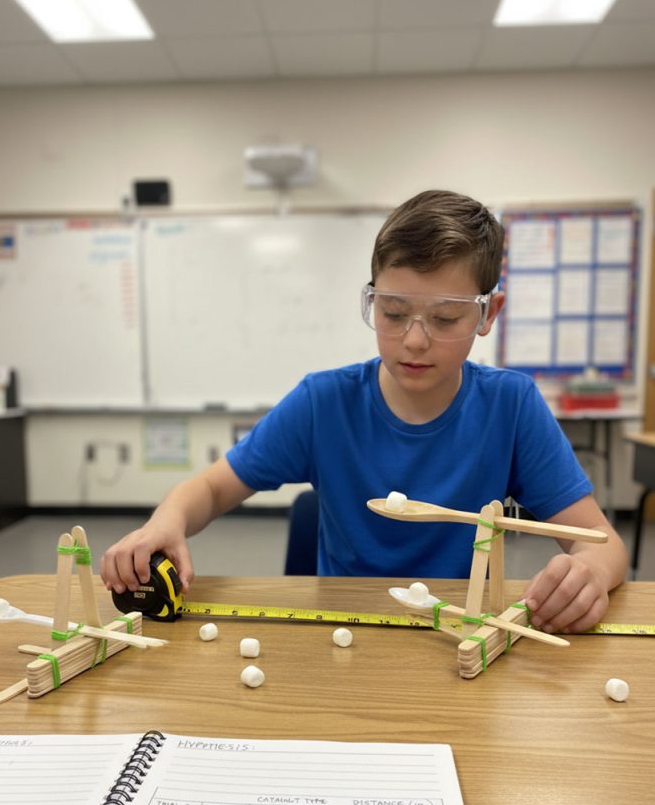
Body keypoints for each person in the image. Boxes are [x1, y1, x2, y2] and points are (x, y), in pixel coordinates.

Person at [101, 189, 627, 634]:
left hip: (463, 638)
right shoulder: (323, 403)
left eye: (445, 319)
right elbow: (213, 488)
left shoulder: (511, 406)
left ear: (489, 313)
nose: (414, 341)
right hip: (346, 633)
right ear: (373, 300)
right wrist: (165, 521)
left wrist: (589, 574)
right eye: (393, 313)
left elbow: (604, 546)